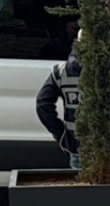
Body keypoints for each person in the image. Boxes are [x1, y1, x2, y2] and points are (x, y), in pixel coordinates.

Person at [35, 32, 83, 169]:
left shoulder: (61, 71)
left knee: (82, 190)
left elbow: (42, 104)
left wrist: (63, 137)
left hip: (77, 147)